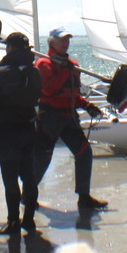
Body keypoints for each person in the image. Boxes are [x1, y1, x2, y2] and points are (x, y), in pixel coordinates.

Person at [33, 27, 108, 213]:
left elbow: (74, 93)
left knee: (84, 152)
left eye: (67, 39)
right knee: (43, 158)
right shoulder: (43, 64)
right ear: (52, 42)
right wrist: (66, 71)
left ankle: (84, 198)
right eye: (61, 40)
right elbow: (48, 90)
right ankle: (28, 195)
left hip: (68, 117)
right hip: (50, 117)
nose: (65, 43)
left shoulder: (73, 65)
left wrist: (87, 105)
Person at [0, 31, 42, 235]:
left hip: (8, 132)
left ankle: (13, 222)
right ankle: (29, 221)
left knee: (10, 178)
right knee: (29, 177)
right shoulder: (34, 72)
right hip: (28, 129)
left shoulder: (3, 72)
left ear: (11, 49)